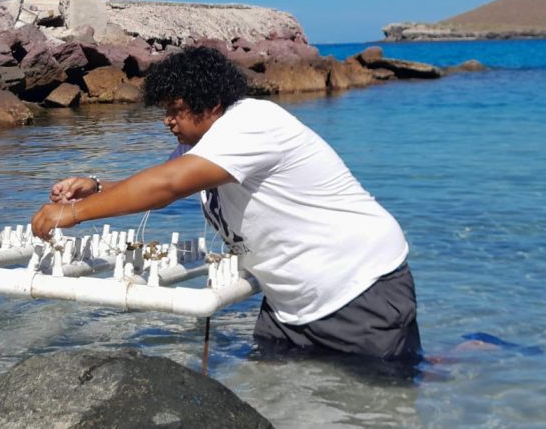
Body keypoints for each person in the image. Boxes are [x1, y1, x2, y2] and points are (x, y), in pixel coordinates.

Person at [31, 46, 422, 361]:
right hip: (289, 306)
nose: (167, 121)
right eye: (164, 110)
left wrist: (74, 213)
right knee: (273, 395)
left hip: (356, 288)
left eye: (176, 109)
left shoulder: (251, 122)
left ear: (212, 102)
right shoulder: (201, 145)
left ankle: (462, 361)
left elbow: (166, 185)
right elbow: (160, 185)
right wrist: (97, 186)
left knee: (382, 403)